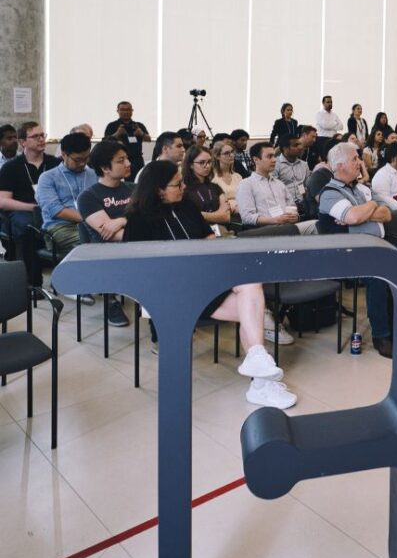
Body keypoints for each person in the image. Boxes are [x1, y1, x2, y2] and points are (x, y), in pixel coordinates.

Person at [124, 160, 297, 409]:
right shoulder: (138, 219)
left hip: (207, 275)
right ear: (158, 189)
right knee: (252, 310)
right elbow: (141, 269)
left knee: (249, 288)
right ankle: (261, 381)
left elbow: (208, 237)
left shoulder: (185, 205)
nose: (183, 187)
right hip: (174, 289)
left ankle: (259, 367)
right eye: (177, 184)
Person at [317, 142, 397, 359]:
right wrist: (368, 208)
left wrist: (366, 210)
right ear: (340, 165)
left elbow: (386, 214)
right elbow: (354, 217)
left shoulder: (360, 189)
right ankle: (382, 336)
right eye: (355, 159)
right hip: (349, 252)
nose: (360, 163)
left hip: (379, 244)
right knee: (379, 277)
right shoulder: (329, 193)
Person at [77, 140, 135, 326]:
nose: (128, 164)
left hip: (139, 246)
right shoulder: (89, 197)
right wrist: (139, 224)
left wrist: (122, 220)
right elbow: (111, 234)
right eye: (121, 160)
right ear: (105, 168)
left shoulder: (134, 189)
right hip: (108, 253)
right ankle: (111, 302)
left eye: (127, 158)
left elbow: (151, 218)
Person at [0, 122, 60, 284]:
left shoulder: (55, 164)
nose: (41, 140)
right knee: (29, 227)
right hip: (23, 211)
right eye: (36, 136)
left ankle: (66, 279)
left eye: (43, 135)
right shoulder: (11, 167)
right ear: (23, 142)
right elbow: (3, 201)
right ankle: (32, 283)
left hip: (52, 210)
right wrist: (32, 207)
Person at [36, 131, 97, 263]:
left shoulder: (94, 174)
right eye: (78, 160)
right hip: (60, 228)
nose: (82, 163)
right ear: (63, 155)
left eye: (86, 158)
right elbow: (56, 210)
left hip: (94, 224)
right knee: (95, 242)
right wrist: (92, 219)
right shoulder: (48, 178)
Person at [236, 143, 317, 235]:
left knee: (316, 224)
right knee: (313, 226)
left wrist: (295, 217)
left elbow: (292, 206)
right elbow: (247, 217)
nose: (274, 160)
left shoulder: (279, 184)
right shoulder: (246, 184)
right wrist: (275, 220)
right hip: (264, 230)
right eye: (269, 156)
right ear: (256, 160)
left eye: (274, 156)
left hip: (286, 227)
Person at [181, 145, 231, 235]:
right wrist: (218, 215)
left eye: (209, 162)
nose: (207, 166)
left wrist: (201, 215)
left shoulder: (215, 187)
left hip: (221, 232)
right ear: (191, 165)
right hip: (197, 234)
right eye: (201, 162)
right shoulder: (184, 189)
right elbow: (188, 216)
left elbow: (226, 217)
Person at [103, 101, 151, 178]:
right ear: (118, 111)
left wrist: (141, 133)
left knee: (139, 180)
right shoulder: (112, 125)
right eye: (122, 110)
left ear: (132, 111)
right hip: (120, 160)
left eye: (128, 109)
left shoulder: (138, 125)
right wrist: (117, 134)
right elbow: (105, 142)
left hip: (137, 159)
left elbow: (148, 139)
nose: (125, 112)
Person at [273, 133, 311, 215]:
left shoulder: (304, 165)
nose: (300, 148)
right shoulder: (275, 164)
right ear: (285, 148)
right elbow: (274, 190)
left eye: (300, 145)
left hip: (303, 204)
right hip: (285, 205)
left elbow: (306, 186)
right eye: (295, 145)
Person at [211, 139, 243, 214]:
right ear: (217, 156)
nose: (231, 155)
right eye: (226, 153)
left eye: (232, 152)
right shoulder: (212, 178)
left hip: (242, 211)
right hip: (225, 214)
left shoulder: (238, 176)